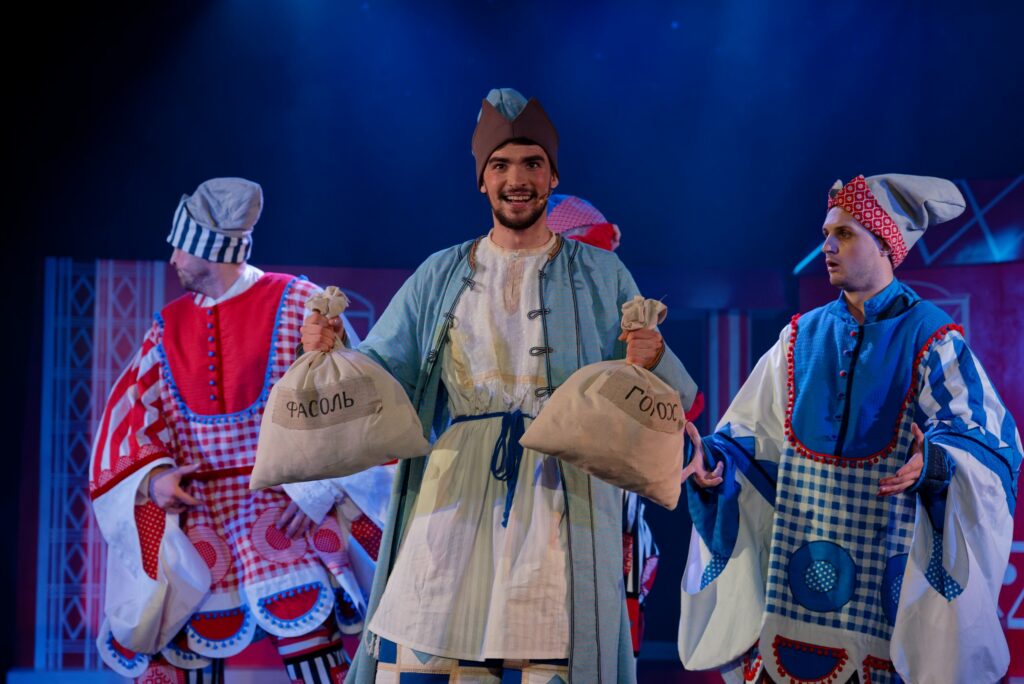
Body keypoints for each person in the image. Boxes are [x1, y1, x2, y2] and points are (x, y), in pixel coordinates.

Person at [302, 89, 699, 683]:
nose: (517, 180)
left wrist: (656, 356)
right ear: (482, 180)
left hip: (561, 493)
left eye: (532, 163)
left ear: (552, 176)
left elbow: (666, 399)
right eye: (501, 165)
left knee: (549, 655)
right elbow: (383, 373)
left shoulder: (600, 273)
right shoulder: (440, 273)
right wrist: (332, 352)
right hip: (454, 491)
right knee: (429, 652)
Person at [678, 174, 1022, 683]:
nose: (828, 247)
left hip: (883, 587)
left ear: (885, 244)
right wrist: (714, 463)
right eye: (826, 234)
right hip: (792, 584)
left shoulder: (930, 336)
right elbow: (747, 436)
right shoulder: (800, 337)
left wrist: (934, 460)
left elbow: (985, 435)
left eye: (844, 234)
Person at [89, 177, 391, 684]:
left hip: (283, 511)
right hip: (202, 515)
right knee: (181, 651)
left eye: (182, 247)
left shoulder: (299, 304)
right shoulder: (167, 326)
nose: (173, 259)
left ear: (211, 250)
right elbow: (137, 413)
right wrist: (156, 477)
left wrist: (317, 491)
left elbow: (352, 405)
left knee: (310, 642)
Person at [546, 193, 705, 657]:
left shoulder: (624, 319)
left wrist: (653, 358)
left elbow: (685, 405)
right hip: (538, 490)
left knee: (607, 627)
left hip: (608, 499)